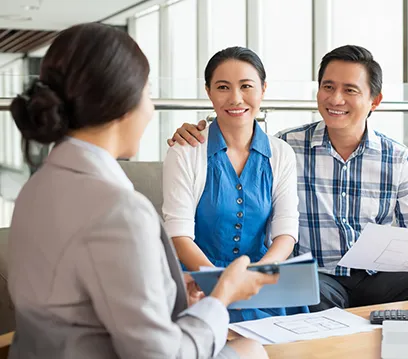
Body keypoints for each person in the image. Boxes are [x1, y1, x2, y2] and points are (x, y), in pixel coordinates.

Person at [7, 23, 277, 359]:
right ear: (122, 103)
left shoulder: (35, 187)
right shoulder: (118, 210)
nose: (151, 110)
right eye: (147, 93)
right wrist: (222, 296)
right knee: (253, 351)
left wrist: (171, 287)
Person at [167, 44, 408, 311]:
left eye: (350, 90)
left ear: (375, 100)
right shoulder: (285, 147)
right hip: (320, 277)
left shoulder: (397, 158)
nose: (335, 99)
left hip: (378, 278)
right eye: (328, 87)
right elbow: (236, 134)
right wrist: (194, 130)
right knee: (306, 295)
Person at [162, 46, 308, 323]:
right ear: (208, 91)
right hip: (199, 283)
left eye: (246, 86)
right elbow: (178, 235)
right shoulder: (184, 151)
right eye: (223, 87)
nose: (235, 98)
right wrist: (225, 285)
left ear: (263, 89)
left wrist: (256, 276)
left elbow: (286, 232)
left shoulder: (281, 153)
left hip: (260, 281)